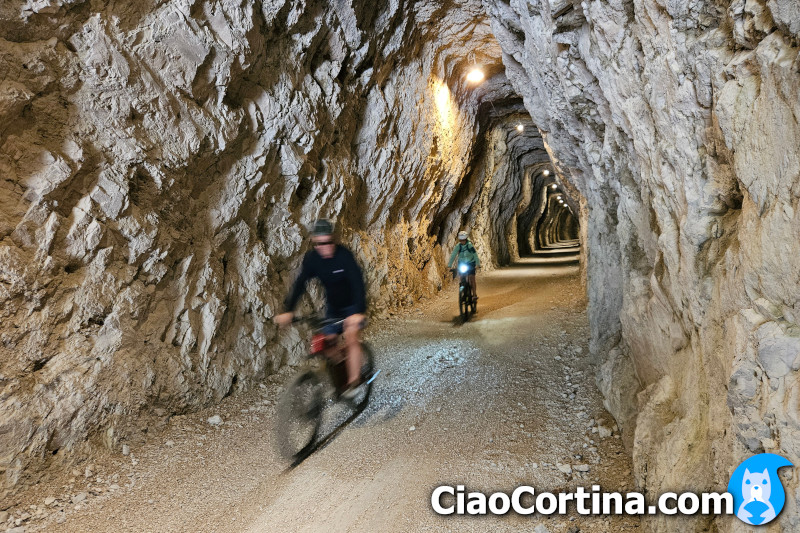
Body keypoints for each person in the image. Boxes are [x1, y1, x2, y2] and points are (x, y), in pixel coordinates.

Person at [274, 219, 367, 397]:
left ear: (333, 240)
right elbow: (300, 284)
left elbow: (358, 284)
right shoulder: (313, 260)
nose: (324, 247)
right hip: (333, 307)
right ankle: (343, 375)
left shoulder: (344, 256)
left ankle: (355, 381)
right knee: (327, 344)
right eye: (319, 244)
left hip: (352, 304)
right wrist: (288, 310)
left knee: (351, 336)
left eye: (327, 242)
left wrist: (357, 312)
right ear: (314, 243)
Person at [447, 231, 480, 301]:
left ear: (466, 239)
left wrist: (477, 264)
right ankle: (463, 290)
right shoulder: (458, 246)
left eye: (463, 240)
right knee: (462, 277)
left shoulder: (470, 245)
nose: (462, 242)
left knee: (472, 278)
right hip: (462, 264)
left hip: (471, 263)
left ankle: (474, 294)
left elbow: (475, 255)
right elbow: (453, 255)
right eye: (461, 240)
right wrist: (449, 265)